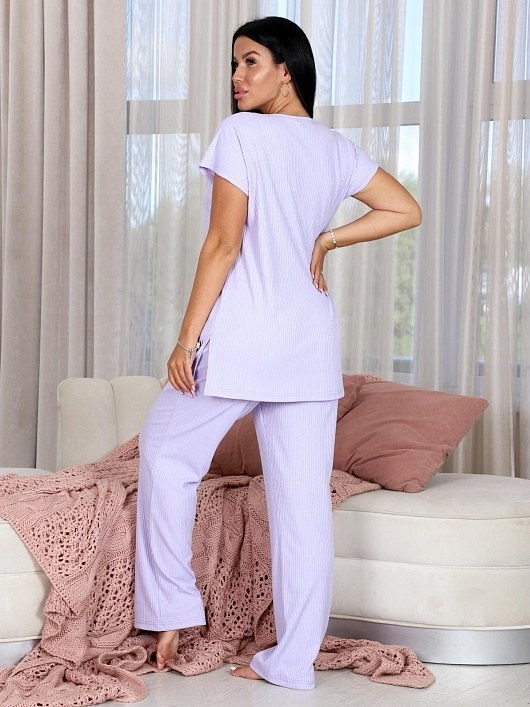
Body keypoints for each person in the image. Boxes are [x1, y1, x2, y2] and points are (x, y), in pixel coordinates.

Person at [134, 16, 421, 691]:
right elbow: (404, 209)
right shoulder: (334, 147)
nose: (237, 78)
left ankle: (171, 610)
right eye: (234, 65)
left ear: (286, 69)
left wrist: (186, 339)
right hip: (308, 345)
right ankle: (291, 663)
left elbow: (223, 244)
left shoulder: (243, 133)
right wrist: (326, 241)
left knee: (165, 453)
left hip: (242, 338)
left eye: (251, 62)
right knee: (303, 509)